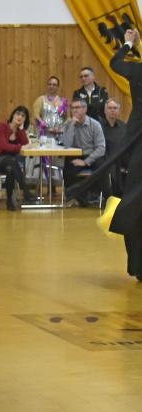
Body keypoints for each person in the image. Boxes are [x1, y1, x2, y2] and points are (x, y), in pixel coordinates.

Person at [97, 29, 142, 281]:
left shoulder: (137, 71)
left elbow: (115, 63)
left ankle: (137, 265)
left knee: (134, 202)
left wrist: (127, 43)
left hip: (136, 140)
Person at [0, 106, 34, 210]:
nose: (19, 117)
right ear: (13, 115)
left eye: (23, 116)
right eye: (18, 114)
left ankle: (9, 202)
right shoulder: (2, 127)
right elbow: (4, 146)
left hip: (9, 164)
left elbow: (25, 143)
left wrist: (21, 129)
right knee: (10, 161)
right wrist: (20, 147)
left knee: (10, 168)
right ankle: (25, 190)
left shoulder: (18, 131)